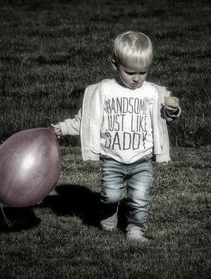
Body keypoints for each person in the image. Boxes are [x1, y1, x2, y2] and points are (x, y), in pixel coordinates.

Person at [52, 31, 181, 242]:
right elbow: (85, 121)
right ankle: (108, 209)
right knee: (111, 195)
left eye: (143, 72)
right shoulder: (104, 91)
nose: (137, 78)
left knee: (139, 197)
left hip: (142, 159)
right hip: (112, 159)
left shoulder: (152, 93)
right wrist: (63, 128)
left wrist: (172, 111)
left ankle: (135, 229)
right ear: (115, 64)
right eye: (130, 72)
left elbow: (167, 117)